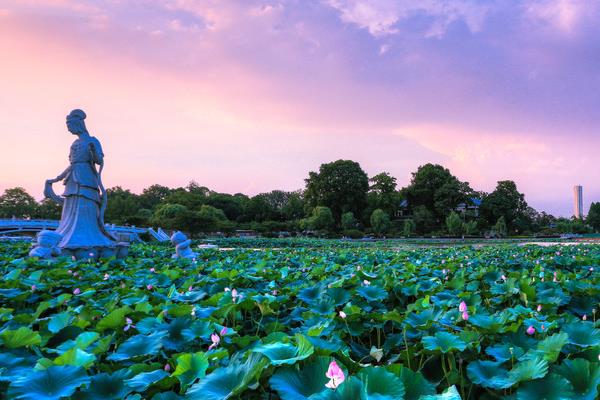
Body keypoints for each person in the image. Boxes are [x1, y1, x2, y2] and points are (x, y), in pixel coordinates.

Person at [46, 109, 116, 257]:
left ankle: (89, 237)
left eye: (70, 125)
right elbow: (72, 164)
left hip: (87, 177)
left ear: (78, 123)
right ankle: (66, 235)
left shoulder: (93, 140)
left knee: (86, 207)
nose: (69, 128)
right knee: (71, 207)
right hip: (73, 178)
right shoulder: (75, 143)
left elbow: (99, 161)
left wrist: (93, 151)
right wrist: (57, 178)